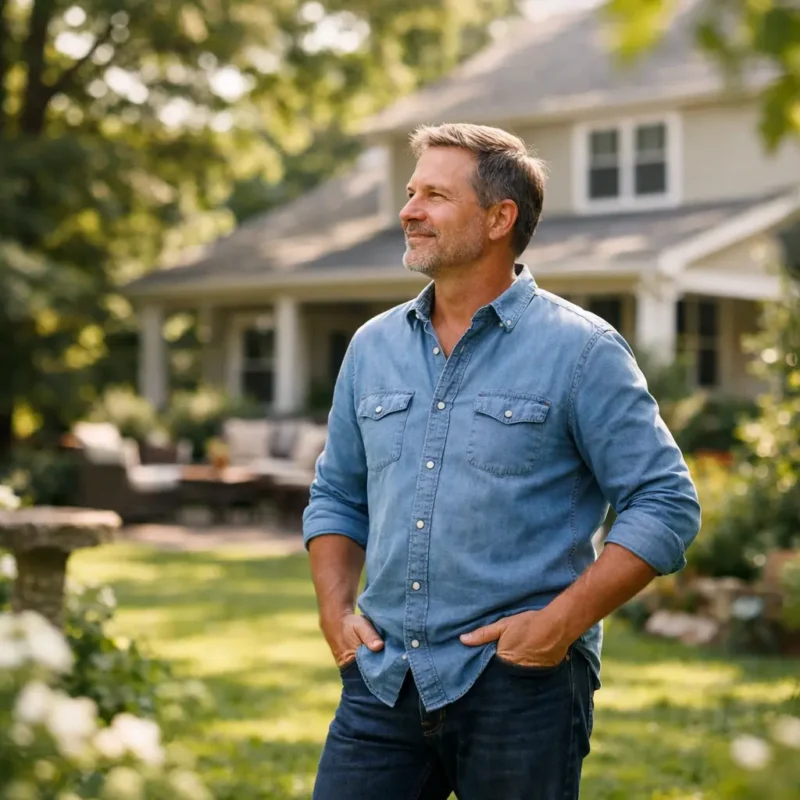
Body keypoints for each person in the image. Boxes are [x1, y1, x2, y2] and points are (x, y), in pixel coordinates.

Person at [302, 122, 701, 800]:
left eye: (434, 195)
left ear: (499, 218)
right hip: (382, 679)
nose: (408, 211)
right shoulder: (371, 348)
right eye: (409, 191)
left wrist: (558, 626)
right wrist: (335, 613)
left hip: (523, 688)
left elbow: (665, 503)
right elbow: (337, 494)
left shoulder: (582, 351)